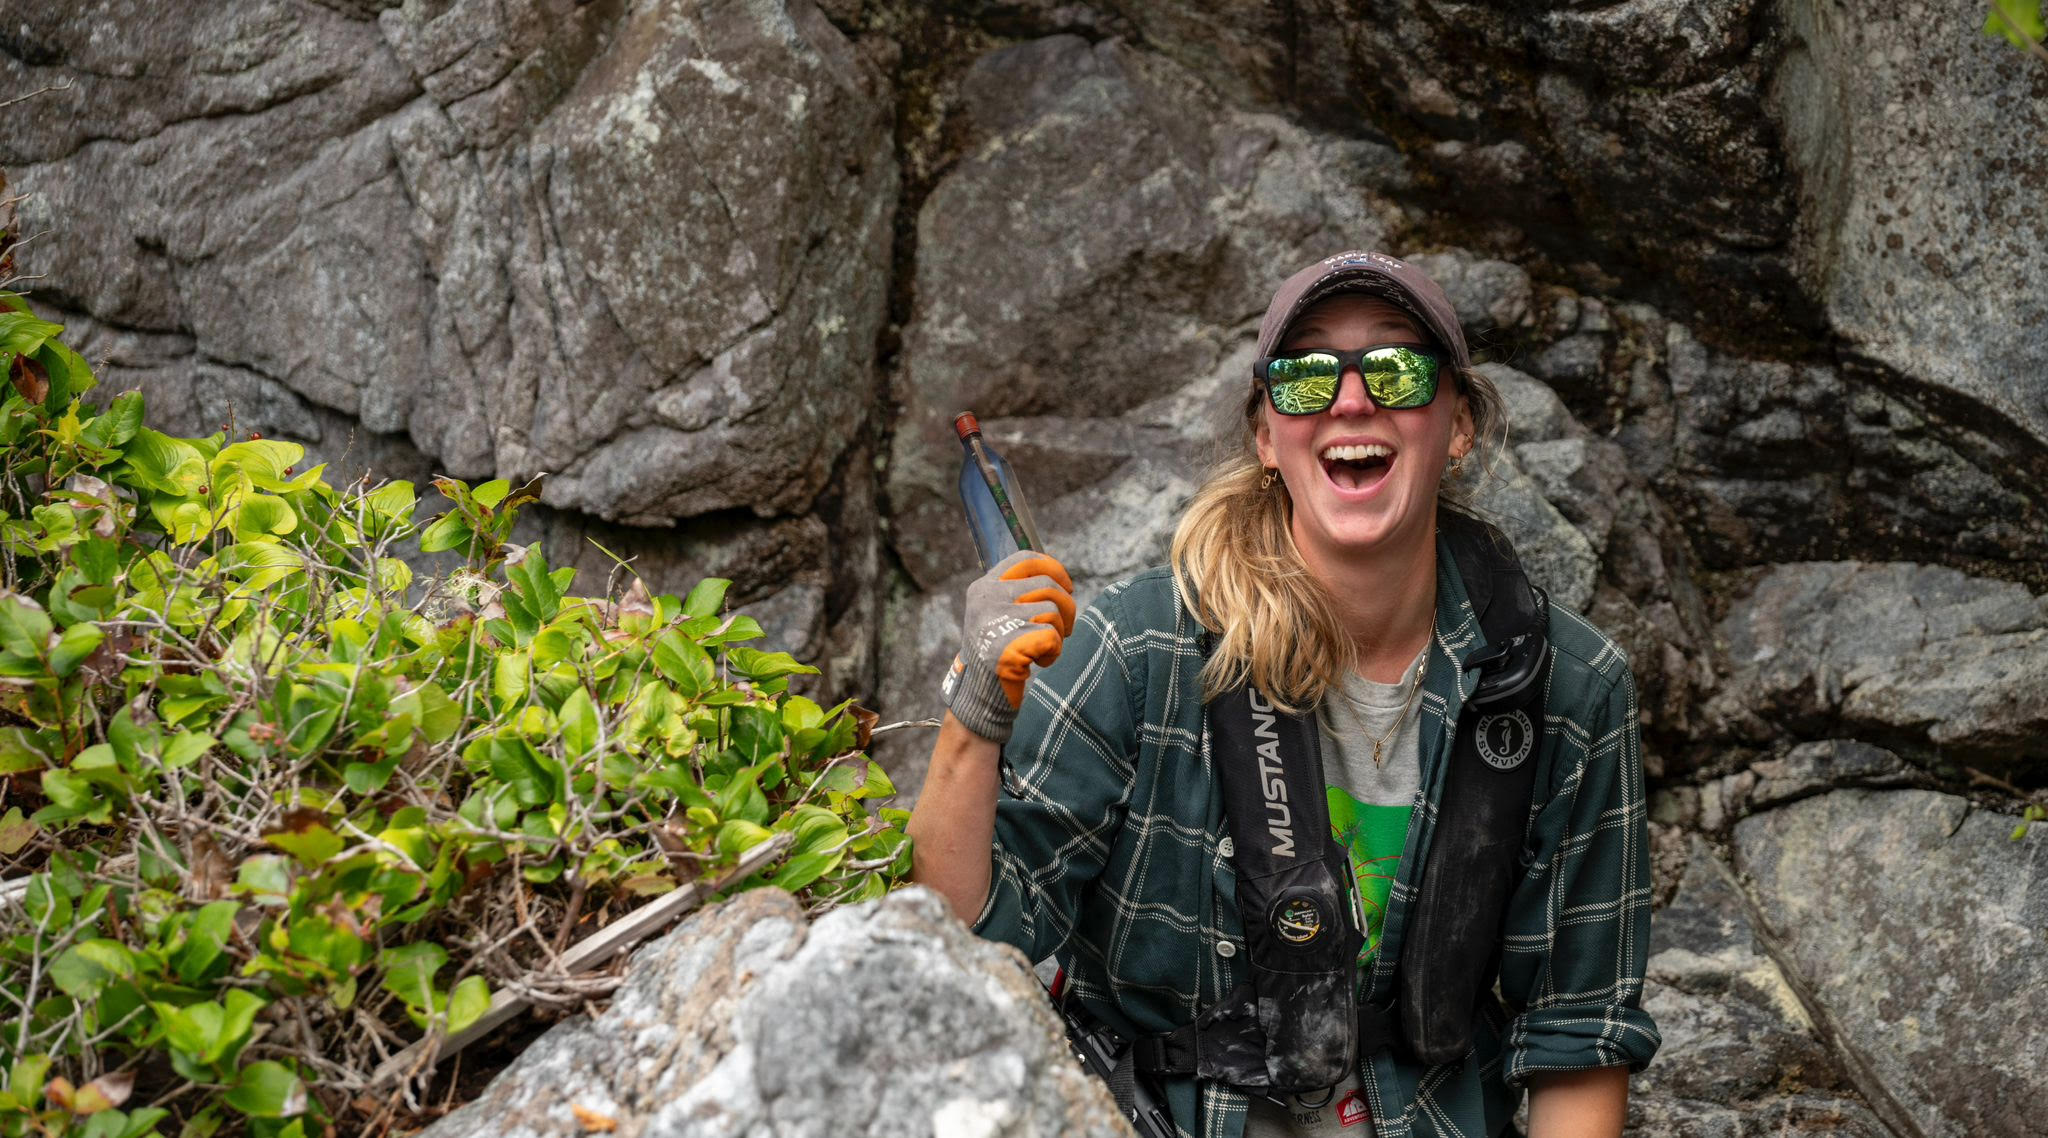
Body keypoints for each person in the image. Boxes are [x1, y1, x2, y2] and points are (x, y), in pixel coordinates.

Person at [908, 251, 1659, 1138]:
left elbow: (1578, 1034)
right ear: (1267, 437)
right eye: (1304, 375)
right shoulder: (1137, 648)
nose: (1351, 400)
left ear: (1458, 423)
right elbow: (956, 942)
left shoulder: (1565, 686)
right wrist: (976, 721)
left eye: (1396, 367)